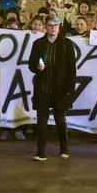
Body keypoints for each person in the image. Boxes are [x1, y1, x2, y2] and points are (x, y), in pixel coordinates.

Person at [28, 15, 76, 161]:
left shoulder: (67, 44)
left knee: (60, 119)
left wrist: (70, 89)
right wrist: (37, 67)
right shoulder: (38, 44)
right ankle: (41, 152)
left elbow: (71, 69)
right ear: (45, 26)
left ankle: (64, 148)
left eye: (55, 25)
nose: (53, 28)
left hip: (60, 89)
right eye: (50, 25)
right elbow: (30, 65)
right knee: (41, 120)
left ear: (59, 26)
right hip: (43, 87)